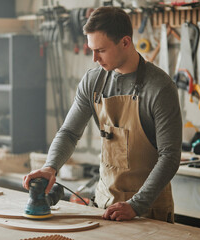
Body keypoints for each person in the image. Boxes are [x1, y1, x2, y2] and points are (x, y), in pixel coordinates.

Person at [23, 6, 182, 223]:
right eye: (91, 50)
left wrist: (136, 205)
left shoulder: (160, 88)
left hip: (147, 212)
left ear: (125, 42)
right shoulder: (93, 81)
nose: (94, 58)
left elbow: (170, 157)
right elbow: (69, 132)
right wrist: (50, 167)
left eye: (101, 50)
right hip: (105, 206)